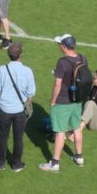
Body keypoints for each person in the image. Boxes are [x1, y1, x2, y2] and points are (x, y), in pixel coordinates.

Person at [39, 34, 87, 172]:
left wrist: (53, 99)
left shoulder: (62, 62)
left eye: (60, 44)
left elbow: (57, 84)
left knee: (60, 132)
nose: (59, 46)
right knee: (76, 127)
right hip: (77, 100)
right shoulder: (83, 58)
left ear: (64, 46)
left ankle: (54, 163)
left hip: (63, 101)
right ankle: (79, 157)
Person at [0, 42, 36, 171]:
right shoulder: (27, 71)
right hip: (20, 111)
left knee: (2, 137)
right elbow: (31, 94)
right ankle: (16, 164)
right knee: (18, 138)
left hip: (4, 110)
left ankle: (1, 162)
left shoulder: (1, 70)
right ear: (20, 55)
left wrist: (2, 103)